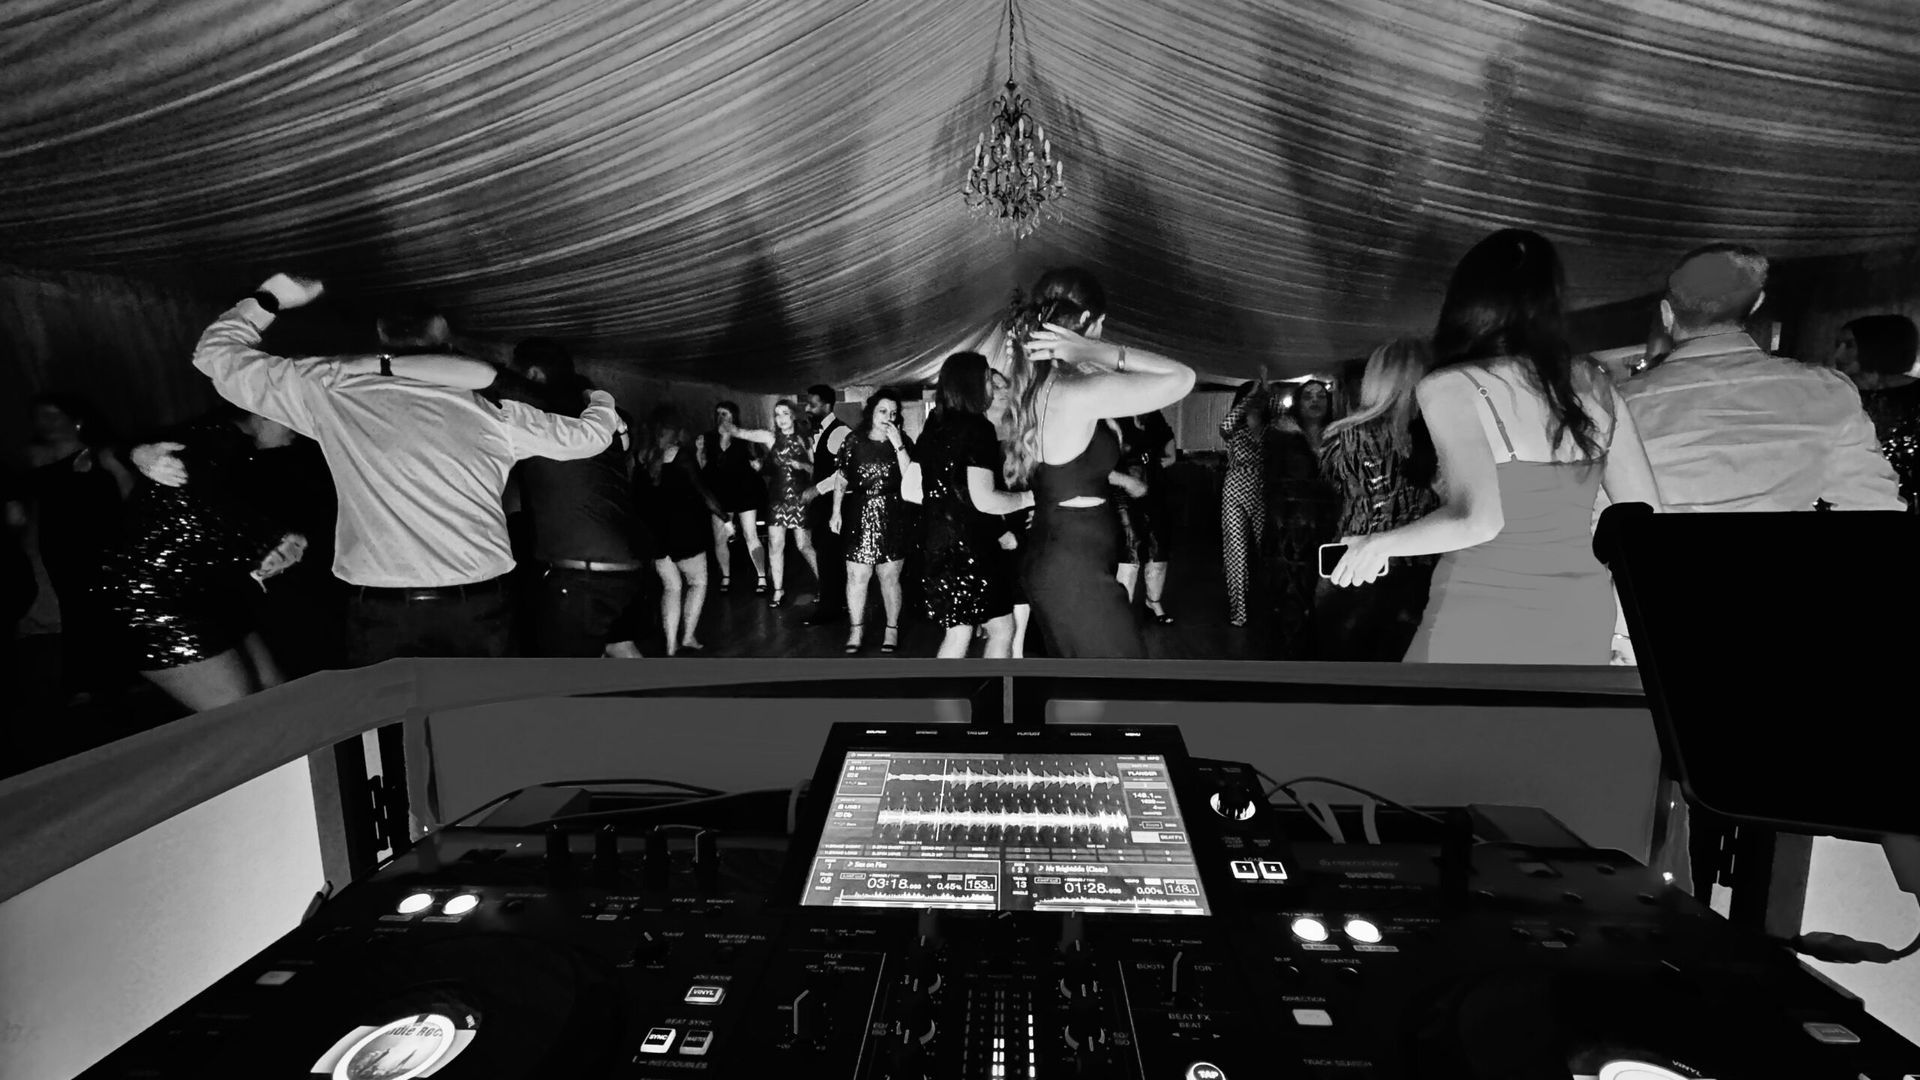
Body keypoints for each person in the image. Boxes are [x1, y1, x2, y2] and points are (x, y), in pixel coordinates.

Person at [186, 273, 621, 665]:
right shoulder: (494, 413)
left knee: (390, 738)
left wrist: (269, 297)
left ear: (381, 336)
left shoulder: (330, 388)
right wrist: (600, 401)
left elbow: (214, 355)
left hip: (381, 612)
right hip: (477, 609)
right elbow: (589, 438)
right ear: (447, 342)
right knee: (478, 727)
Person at [1331, 228, 1663, 664]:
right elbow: (1645, 518)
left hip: (1478, 607)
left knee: (1440, 727)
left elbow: (1479, 521)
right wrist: (1625, 629)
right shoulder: (1591, 382)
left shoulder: (1452, 385)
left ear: (1465, 301)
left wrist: (1378, 545)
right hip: (1579, 610)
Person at [1616, 246, 1904, 516]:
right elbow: (1874, 506)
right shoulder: (1826, 389)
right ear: (1756, 305)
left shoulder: (1618, 403)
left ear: (1667, 314)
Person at [1004, 267, 1197, 658]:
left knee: (1088, 694)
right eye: (1101, 328)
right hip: (1072, 569)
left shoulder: (1044, 384)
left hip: (1060, 556)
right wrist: (1099, 352)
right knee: (1119, 689)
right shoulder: (1075, 391)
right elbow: (1183, 378)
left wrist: (1085, 358)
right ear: (1092, 321)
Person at [111, 405, 307, 711]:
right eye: (294, 420)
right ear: (262, 413)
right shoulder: (212, 439)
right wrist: (138, 452)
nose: (299, 430)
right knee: (243, 714)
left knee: (275, 694)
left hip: (209, 590)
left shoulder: (241, 448)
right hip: (154, 600)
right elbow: (206, 509)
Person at [502, 338, 651, 657]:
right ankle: (656, 706)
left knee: (570, 681)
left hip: (584, 571)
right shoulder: (605, 417)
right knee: (622, 648)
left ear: (533, 374)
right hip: (627, 562)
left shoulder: (539, 422)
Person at [1312, 340, 1441, 661]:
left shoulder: (1341, 434)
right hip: (1423, 562)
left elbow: (1338, 488)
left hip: (1353, 560)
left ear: (1375, 378)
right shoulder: (1438, 432)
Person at [918, 354, 1035, 658]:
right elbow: (984, 499)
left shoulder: (934, 427)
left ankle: (945, 699)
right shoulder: (977, 429)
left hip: (937, 542)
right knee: (1001, 630)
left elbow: (924, 489)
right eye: (986, 379)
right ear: (971, 383)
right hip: (970, 547)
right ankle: (993, 699)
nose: (991, 387)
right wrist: (1031, 498)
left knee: (958, 633)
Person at [25, 394, 135, 703]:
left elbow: (128, 493)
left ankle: (123, 676)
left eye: (53, 416)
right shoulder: (35, 454)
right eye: (40, 417)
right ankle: (82, 681)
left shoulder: (104, 453)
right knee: (75, 608)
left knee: (111, 605)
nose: (45, 424)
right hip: (60, 542)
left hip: (103, 538)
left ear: (75, 419)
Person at [620, 410, 732, 655]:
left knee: (671, 588)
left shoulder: (639, 458)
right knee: (698, 582)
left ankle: (670, 645)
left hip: (655, 537)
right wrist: (725, 519)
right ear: (675, 431)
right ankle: (688, 636)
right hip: (685, 534)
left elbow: (633, 498)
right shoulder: (681, 456)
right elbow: (704, 493)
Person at [830, 390, 916, 654]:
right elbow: (841, 478)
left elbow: (911, 477)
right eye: (882, 411)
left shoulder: (903, 441)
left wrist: (898, 443)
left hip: (893, 512)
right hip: (859, 510)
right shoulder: (853, 441)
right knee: (857, 575)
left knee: (889, 577)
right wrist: (836, 511)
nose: (888, 417)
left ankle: (892, 629)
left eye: (893, 413)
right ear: (871, 412)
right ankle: (856, 630)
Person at [1265, 378, 1339, 654]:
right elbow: (1272, 483)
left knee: (1324, 593)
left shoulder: (1338, 433)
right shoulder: (1282, 434)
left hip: (1329, 525)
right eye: (1308, 395)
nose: (1315, 400)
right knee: (1290, 597)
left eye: (1321, 395)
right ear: (1298, 401)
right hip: (1290, 531)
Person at [728, 400, 819, 607]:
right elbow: (746, 433)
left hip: (799, 497)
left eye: (785, 414)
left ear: (793, 416)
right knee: (775, 544)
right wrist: (731, 428)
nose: (781, 419)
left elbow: (816, 470)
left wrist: (802, 465)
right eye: (777, 415)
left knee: (804, 545)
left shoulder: (805, 439)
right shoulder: (771, 438)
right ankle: (778, 590)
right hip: (777, 498)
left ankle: (826, 585)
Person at [1832, 313, 1920, 514]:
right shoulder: (1833, 392)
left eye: (1849, 345)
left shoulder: (1916, 396)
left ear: (1879, 346)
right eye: (1837, 345)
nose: (1838, 355)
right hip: (1841, 500)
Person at [698, 401, 769, 594]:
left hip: (745, 490)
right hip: (720, 493)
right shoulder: (709, 438)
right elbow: (702, 467)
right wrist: (699, 452)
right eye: (719, 413)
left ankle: (762, 576)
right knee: (720, 538)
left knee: (750, 534)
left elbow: (757, 464)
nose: (722, 418)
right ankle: (726, 576)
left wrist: (757, 461)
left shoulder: (743, 437)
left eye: (726, 414)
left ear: (733, 417)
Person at [1216, 378, 1270, 627]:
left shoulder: (1272, 429)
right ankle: (1239, 612)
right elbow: (1225, 423)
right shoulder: (1234, 430)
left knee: (1267, 549)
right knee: (1235, 551)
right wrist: (1252, 394)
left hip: (1263, 490)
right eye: (1249, 398)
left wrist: (1264, 391)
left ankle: (1273, 604)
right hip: (1235, 489)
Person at [1114, 411, 1177, 624]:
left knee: (1158, 544)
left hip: (1154, 484)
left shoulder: (1154, 415)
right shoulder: (1112, 414)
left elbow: (1169, 443)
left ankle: (1153, 601)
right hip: (1122, 488)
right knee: (1130, 545)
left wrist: (1162, 462)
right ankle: (1122, 609)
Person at [798, 384, 852, 626]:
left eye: (812, 404)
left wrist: (815, 489)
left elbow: (846, 471)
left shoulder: (840, 432)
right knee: (826, 555)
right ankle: (836, 604)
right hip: (823, 505)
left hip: (835, 506)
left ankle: (831, 609)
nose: (808, 408)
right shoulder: (820, 431)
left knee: (830, 557)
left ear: (827, 405)